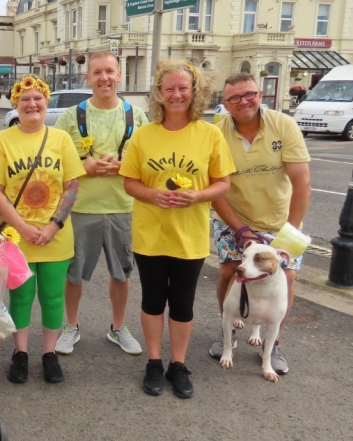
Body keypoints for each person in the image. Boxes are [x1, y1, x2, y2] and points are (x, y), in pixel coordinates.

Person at [119, 60, 235, 399]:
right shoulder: (144, 135)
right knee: (153, 299)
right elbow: (129, 182)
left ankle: (178, 364)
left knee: (183, 303)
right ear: (158, 93)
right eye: (169, 88)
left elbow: (223, 183)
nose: (176, 94)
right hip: (150, 234)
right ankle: (154, 361)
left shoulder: (209, 134)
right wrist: (152, 193)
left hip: (190, 234)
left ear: (195, 91)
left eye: (183, 87)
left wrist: (198, 195)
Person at [0, 76, 86, 384]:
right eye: (25, 99)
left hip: (56, 235)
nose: (32, 104)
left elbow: (72, 184)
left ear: (46, 102)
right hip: (17, 237)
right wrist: (23, 227)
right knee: (22, 297)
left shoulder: (61, 140)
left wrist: (54, 225)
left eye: (38, 98)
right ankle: (21, 353)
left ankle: (50, 354)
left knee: (53, 298)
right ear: (16, 104)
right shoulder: (1, 141)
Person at [209, 72, 311, 375]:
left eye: (250, 94)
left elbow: (302, 182)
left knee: (287, 277)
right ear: (225, 104)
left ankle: (273, 340)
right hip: (234, 218)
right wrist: (241, 229)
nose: (244, 101)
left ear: (260, 94)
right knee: (229, 271)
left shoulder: (284, 125)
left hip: (280, 222)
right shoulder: (217, 132)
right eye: (234, 98)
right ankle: (229, 326)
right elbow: (216, 188)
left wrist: (290, 232)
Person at [54, 50, 147, 357]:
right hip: (81, 209)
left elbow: (147, 163)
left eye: (110, 71)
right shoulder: (72, 116)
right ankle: (71, 326)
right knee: (74, 272)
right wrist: (85, 167)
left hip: (124, 207)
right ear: (88, 78)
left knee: (121, 273)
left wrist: (124, 167)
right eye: (97, 73)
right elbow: (57, 164)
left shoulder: (137, 116)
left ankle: (118, 327)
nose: (104, 78)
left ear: (120, 75)